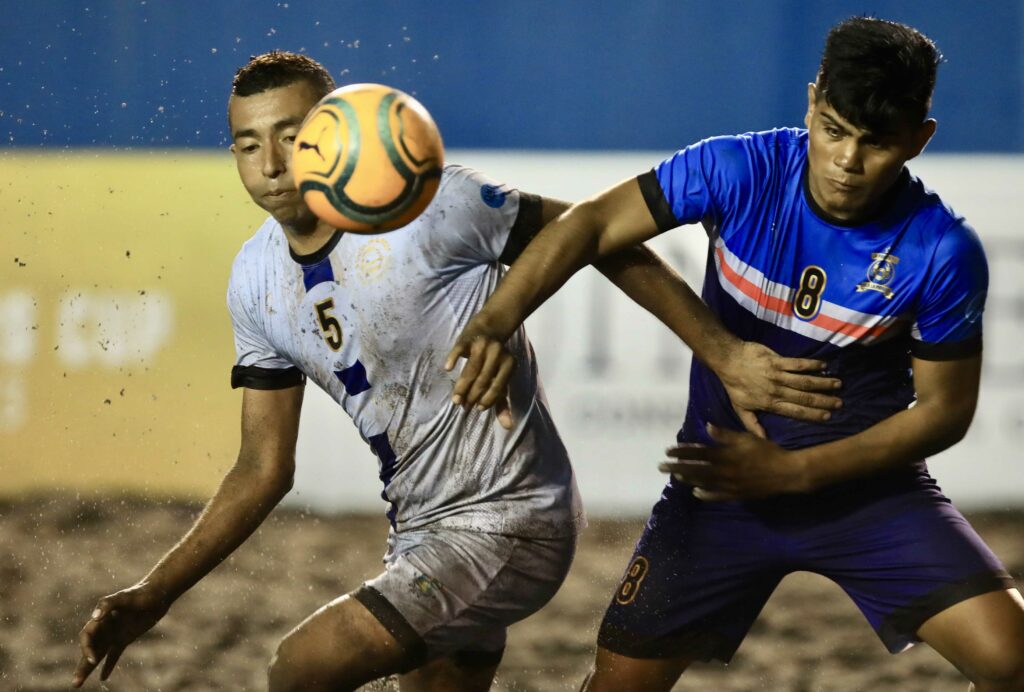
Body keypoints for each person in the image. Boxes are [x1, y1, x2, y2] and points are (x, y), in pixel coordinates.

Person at [71, 52, 836, 691]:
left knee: (299, 670)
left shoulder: (433, 206)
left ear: (333, 130)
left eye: (293, 136)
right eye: (247, 144)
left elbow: (596, 234)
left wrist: (723, 350)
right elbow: (263, 468)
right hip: (419, 537)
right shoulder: (252, 281)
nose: (272, 164)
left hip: (512, 518)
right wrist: (155, 593)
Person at [449, 17, 1024, 692]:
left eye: (876, 143)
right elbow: (594, 224)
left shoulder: (940, 249)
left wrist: (796, 473)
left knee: (1013, 661)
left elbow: (945, 414)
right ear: (812, 101)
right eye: (834, 128)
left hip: (870, 500)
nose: (846, 160)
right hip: (719, 493)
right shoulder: (739, 168)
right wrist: (498, 316)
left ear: (919, 140)